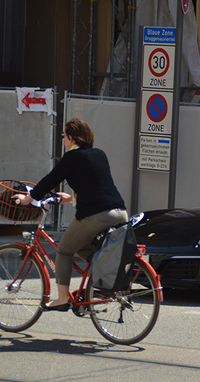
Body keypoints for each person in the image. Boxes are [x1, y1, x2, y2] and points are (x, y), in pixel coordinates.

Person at [13, 118, 128, 311]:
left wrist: (28, 198)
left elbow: (50, 180)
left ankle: (62, 299)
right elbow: (95, 183)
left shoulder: (71, 157)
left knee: (64, 251)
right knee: (84, 247)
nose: (64, 141)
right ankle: (103, 278)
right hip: (120, 213)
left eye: (65, 137)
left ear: (71, 138)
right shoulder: (99, 154)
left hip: (96, 215)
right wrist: (69, 198)